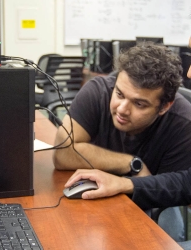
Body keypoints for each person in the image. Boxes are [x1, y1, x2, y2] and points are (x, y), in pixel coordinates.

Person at [62, 38, 191, 249]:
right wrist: (130, 163)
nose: (122, 109)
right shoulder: (98, 91)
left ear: (164, 107)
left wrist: (125, 184)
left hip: (155, 204)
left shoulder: (183, 123)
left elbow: (180, 190)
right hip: (100, 198)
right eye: (119, 94)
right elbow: (62, 152)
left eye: (139, 104)